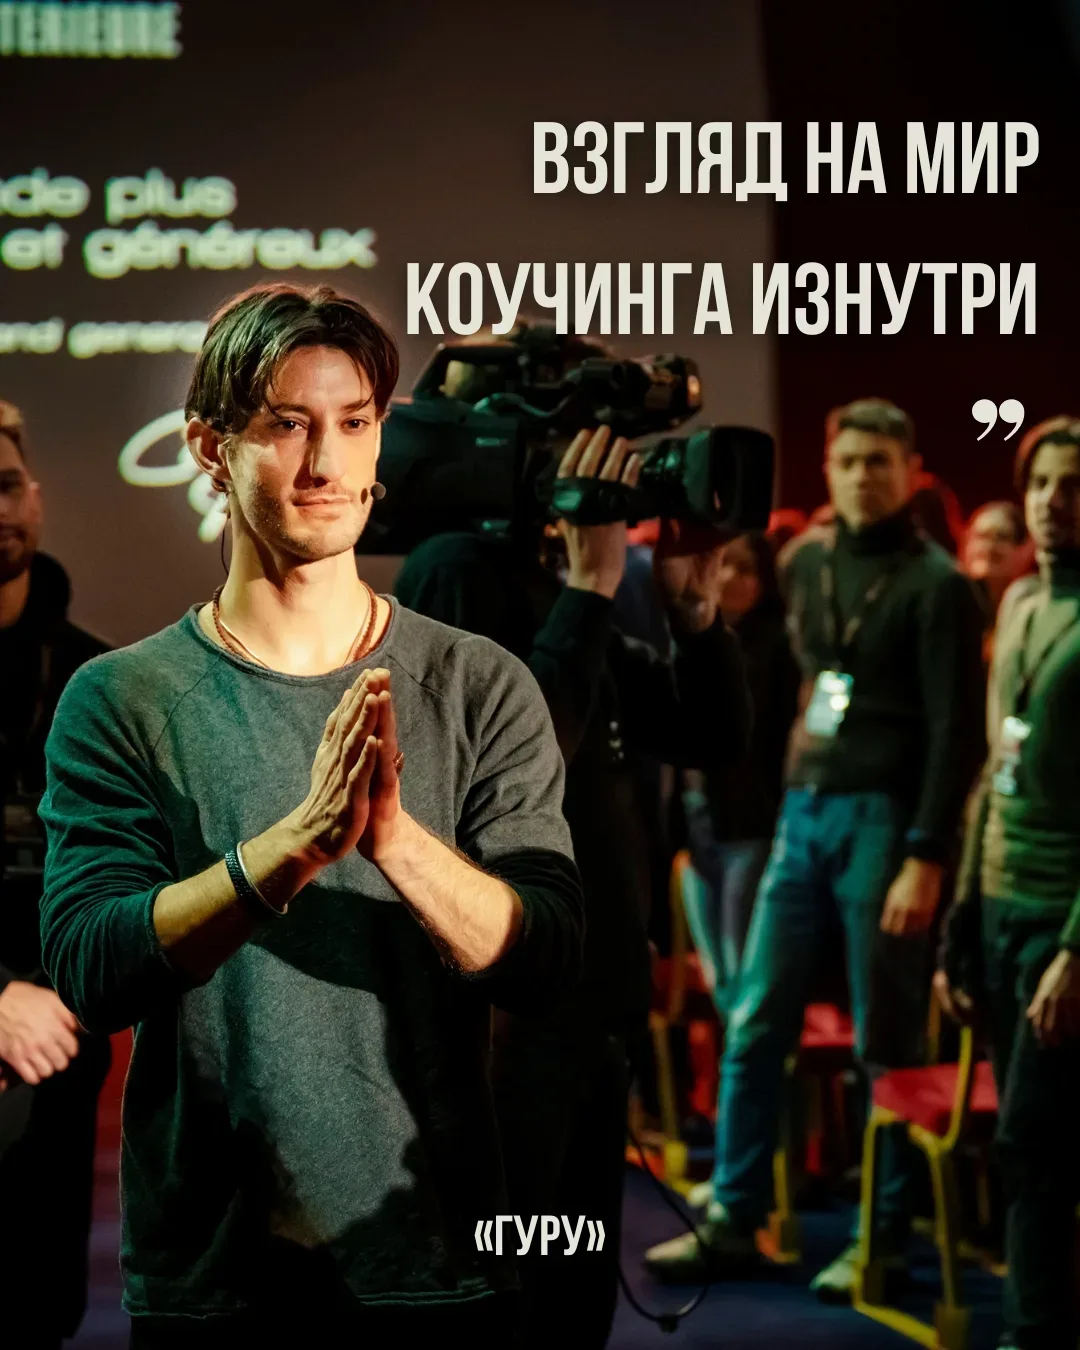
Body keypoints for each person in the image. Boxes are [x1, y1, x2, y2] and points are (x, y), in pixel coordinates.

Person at [37, 283, 585, 1349]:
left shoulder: (479, 684)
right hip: (217, 1271)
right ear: (211, 447)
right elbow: (95, 970)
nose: (327, 463)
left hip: (443, 1259)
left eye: (354, 423)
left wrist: (393, 842)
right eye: (288, 424)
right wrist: (288, 854)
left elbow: (548, 960)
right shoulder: (122, 698)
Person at [395, 417, 751, 1349]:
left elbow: (712, 738)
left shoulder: (566, 586)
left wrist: (695, 617)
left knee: (575, 1289)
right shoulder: (456, 571)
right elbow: (513, 763)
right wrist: (590, 591)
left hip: (592, 1006)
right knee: (502, 1280)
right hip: (506, 1018)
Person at [645, 397, 986, 1301]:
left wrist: (927, 852)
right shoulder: (804, 563)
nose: (862, 476)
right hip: (802, 811)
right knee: (755, 1019)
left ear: (910, 472)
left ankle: (882, 1239)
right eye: (848, 461)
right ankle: (733, 1214)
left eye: (880, 462)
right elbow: (786, 688)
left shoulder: (938, 586)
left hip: (886, 820)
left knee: (886, 1037)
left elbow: (957, 734)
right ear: (828, 470)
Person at [938, 416, 1080, 1350]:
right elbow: (994, 772)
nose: (1054, 502)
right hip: (995, 904)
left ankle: (1031, 1334)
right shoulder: (1021, 598)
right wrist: (961, 916)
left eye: (1074, 485)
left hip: (1060, 918)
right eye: (1041, 484)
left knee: (1034, 1142)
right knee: (1022, 1144)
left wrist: (1076, 948)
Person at [0, 399, 112, 1350]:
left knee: (41, 1313)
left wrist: (54, 999)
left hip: (64, 1045)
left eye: (5, 486)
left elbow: (127, 874)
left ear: (34, 496)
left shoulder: (99, 681)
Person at [679, 531, 801, 1017]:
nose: (730, 576)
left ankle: (746, 1063)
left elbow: (779, 742)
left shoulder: (778, 646)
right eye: (723, 562)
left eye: (745, 567)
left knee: (745, 971)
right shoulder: (683, 637)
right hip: (695, 826)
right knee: (718, 976)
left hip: (750, 825)